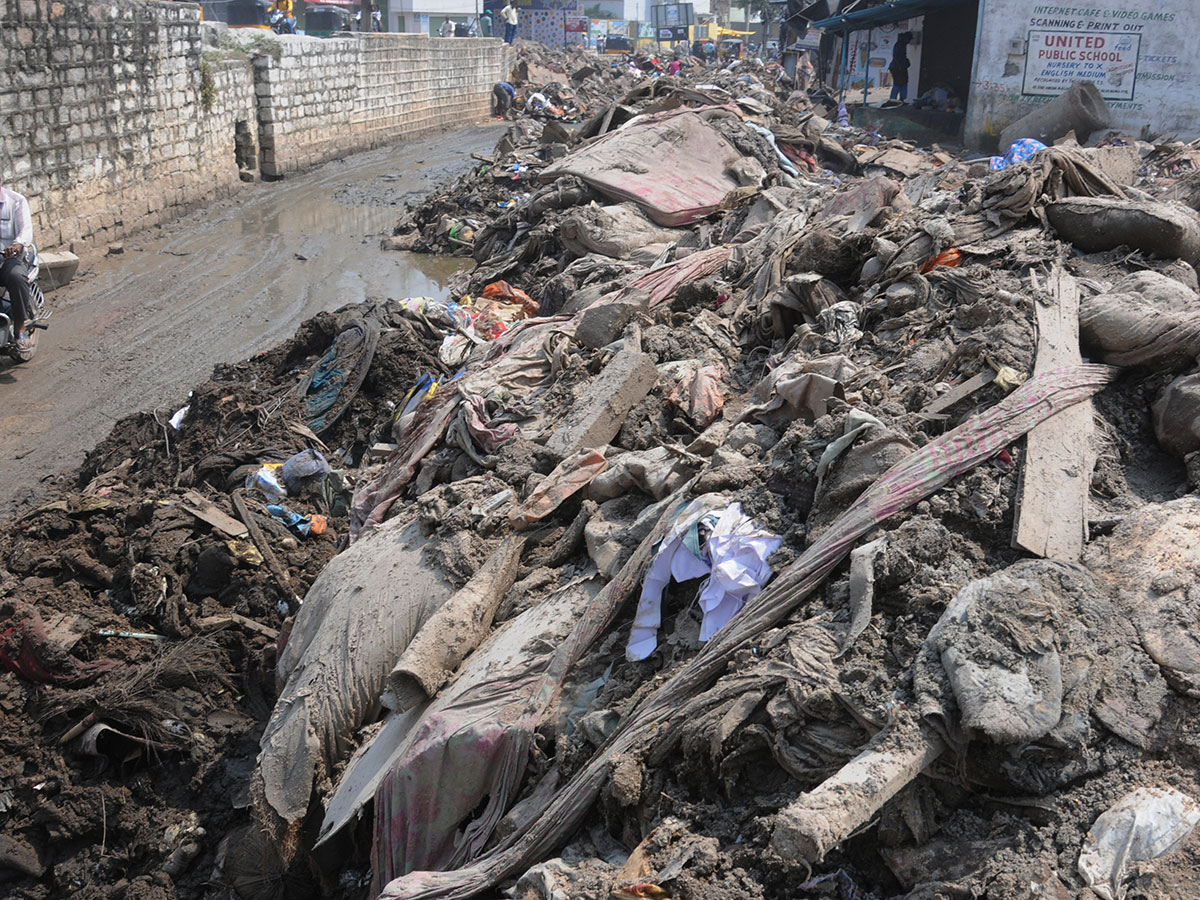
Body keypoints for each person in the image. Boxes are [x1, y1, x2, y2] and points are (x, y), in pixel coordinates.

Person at [0, 177, 36, 352]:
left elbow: (26, 230)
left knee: (16, 277)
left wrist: (17, 244)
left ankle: (20, 328)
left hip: (10, 260)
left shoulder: (16, 201)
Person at [888, 31, 912, 102]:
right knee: (898, 83)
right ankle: (893, 99)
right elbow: (896, 57)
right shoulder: (900, 45)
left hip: (899, 67)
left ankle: (901, 99)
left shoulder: (901, 45)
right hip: (898, 68)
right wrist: (900, 66)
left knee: (902, 83)